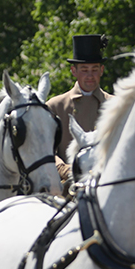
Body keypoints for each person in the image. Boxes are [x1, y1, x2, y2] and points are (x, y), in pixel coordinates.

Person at [47, 34, 113, 180]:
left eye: (94, 69)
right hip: (66, 189)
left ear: (101, 70)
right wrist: (66, 171)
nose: (90, 75)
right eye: (84, 69)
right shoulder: (55, 106)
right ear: (73, 71)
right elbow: (46, 150)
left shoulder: (115, 106)